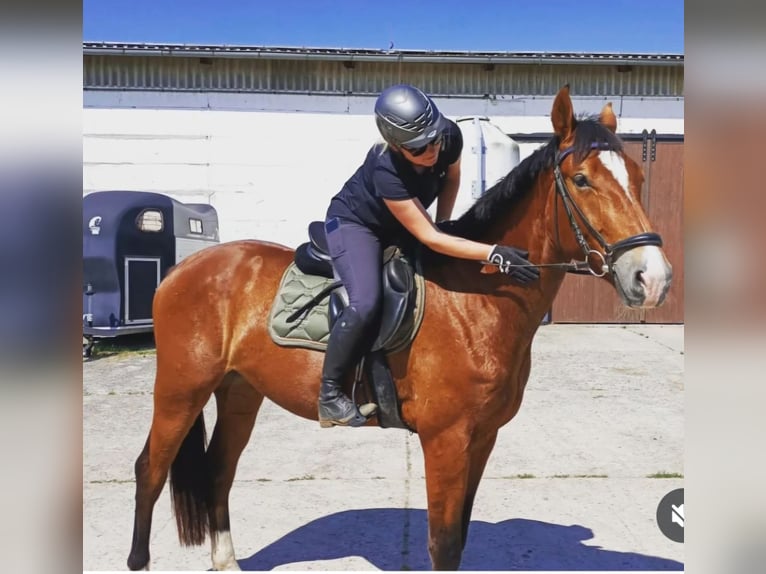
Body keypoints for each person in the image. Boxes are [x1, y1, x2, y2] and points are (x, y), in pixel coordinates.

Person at [318, 83, 540, 428]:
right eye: (419, 147)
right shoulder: (385, 170)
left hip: (404, 222)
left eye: (435, 138)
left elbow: (451, 178)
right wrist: (494, 253)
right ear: (395, 145)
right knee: (366, 302)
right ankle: (329, 394)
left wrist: (447, 221)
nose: (432, 149)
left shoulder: (447, 136)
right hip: (356, 225)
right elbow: (428, 238)